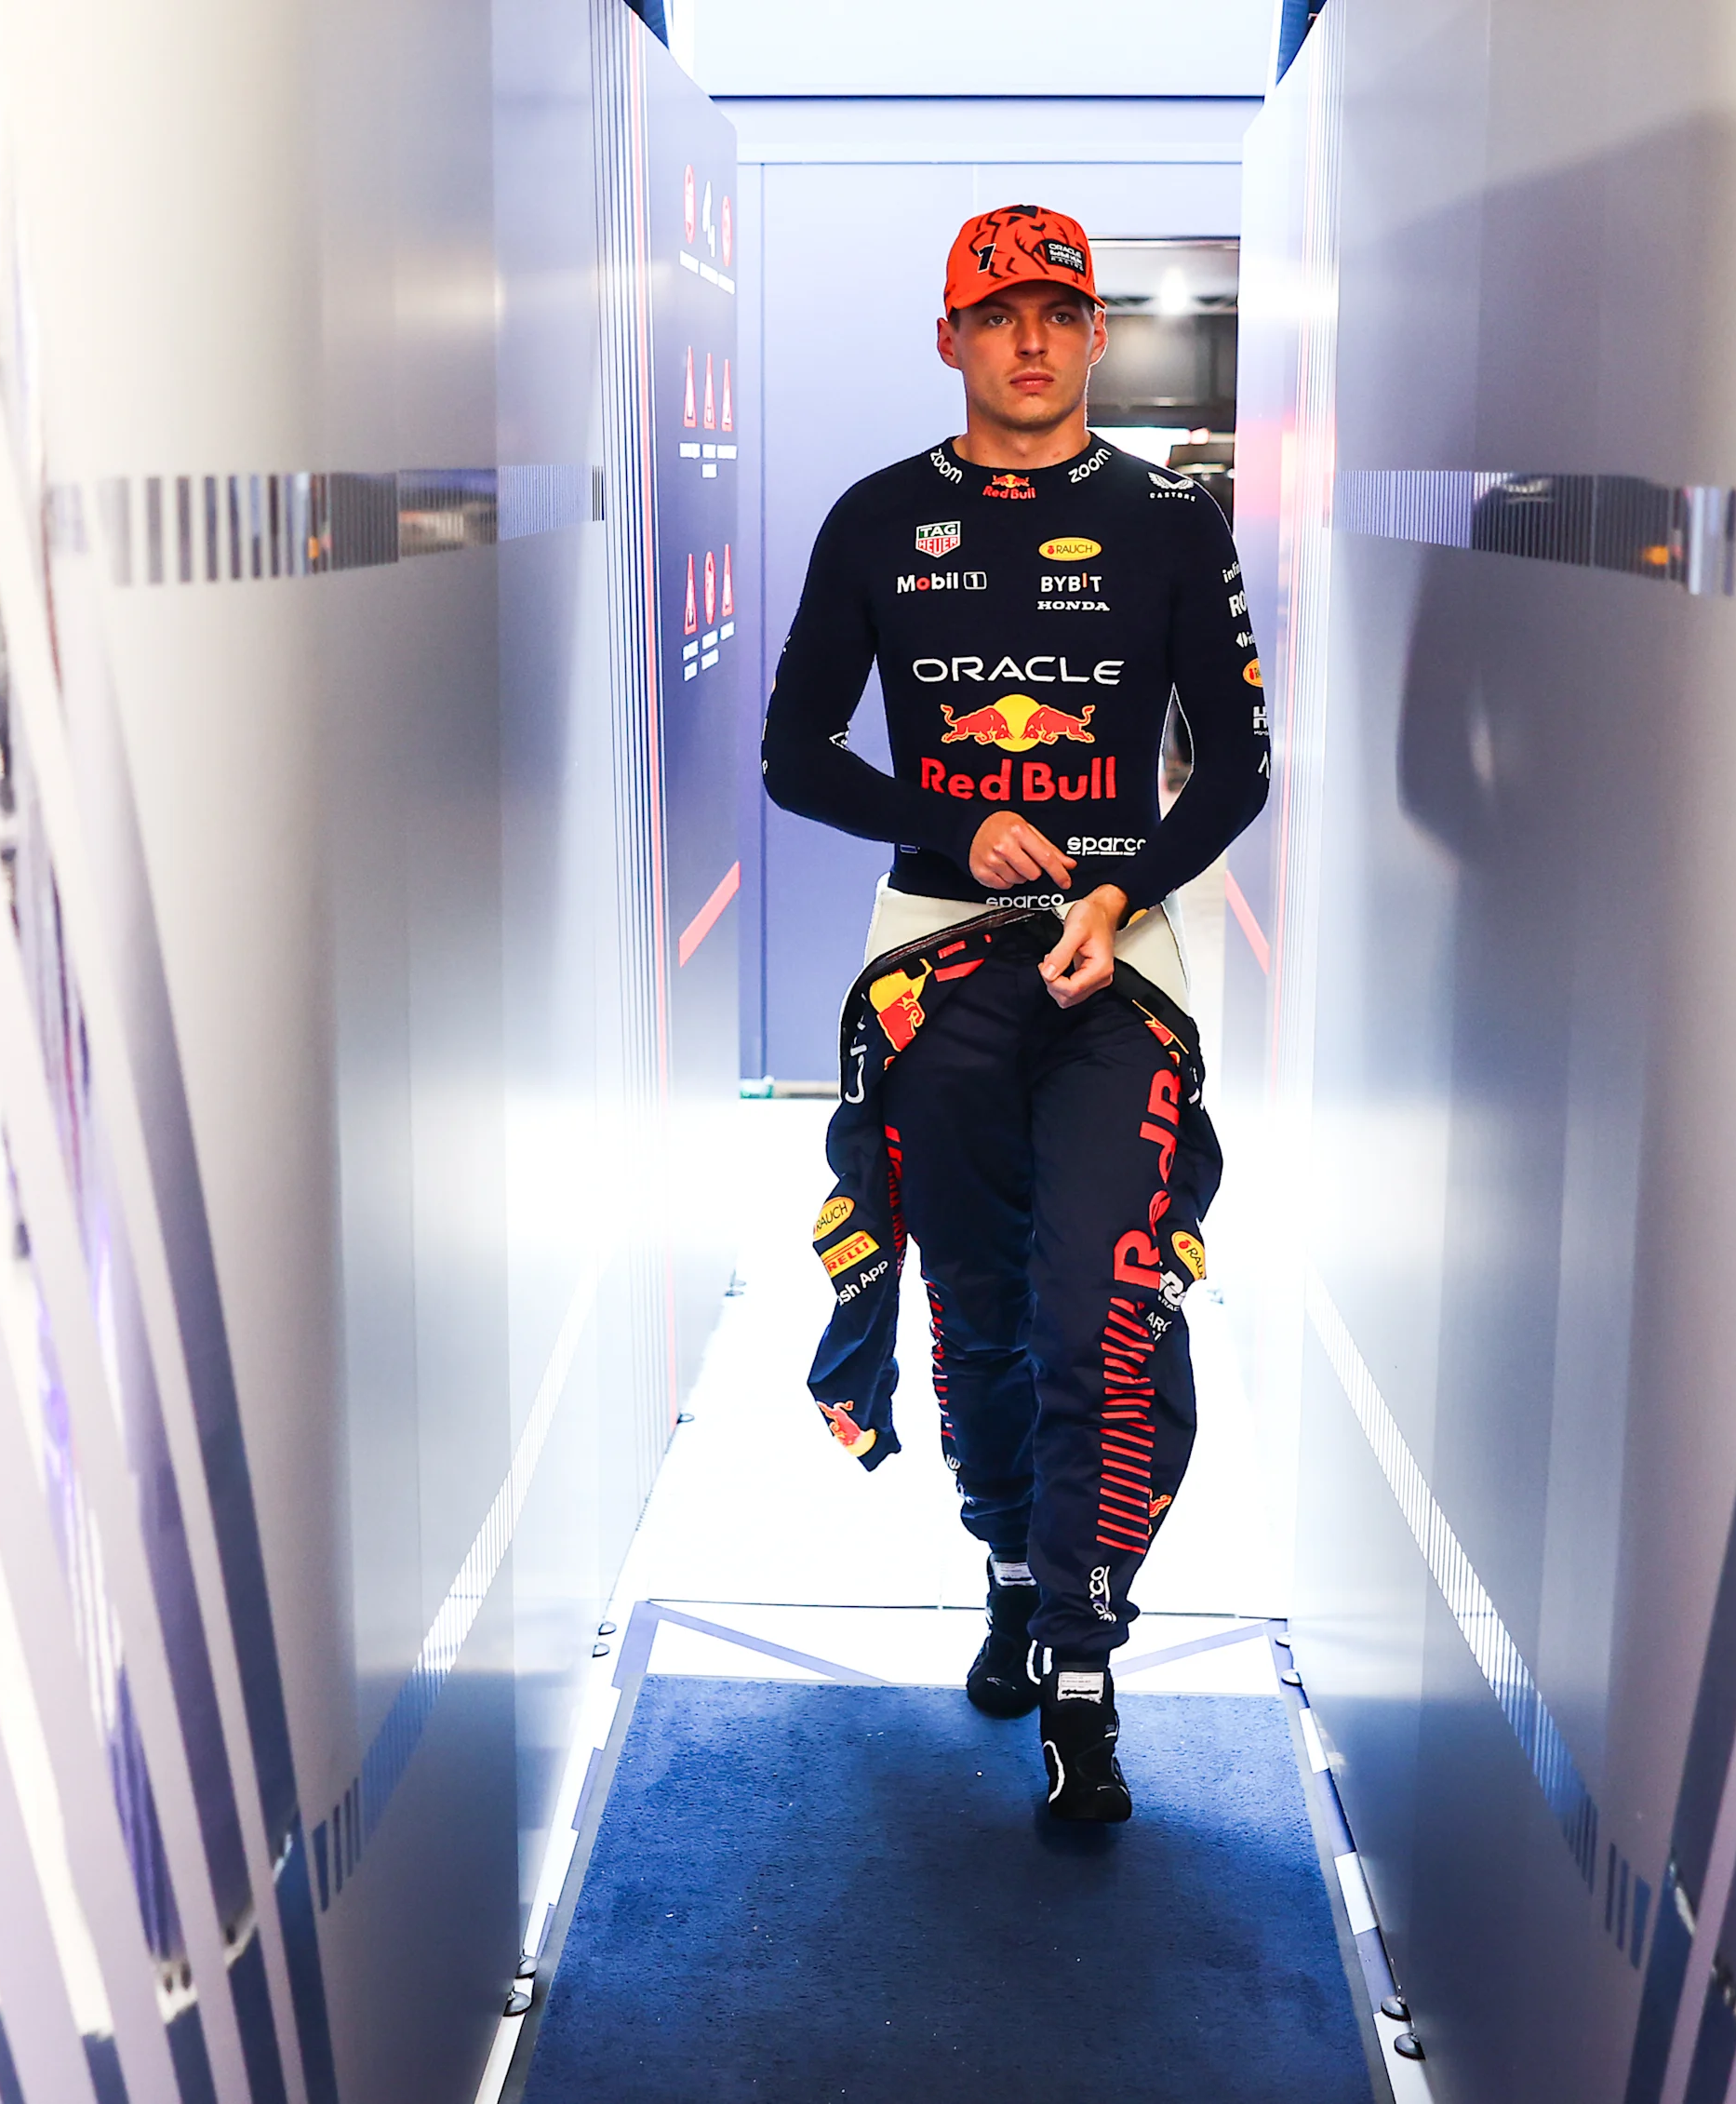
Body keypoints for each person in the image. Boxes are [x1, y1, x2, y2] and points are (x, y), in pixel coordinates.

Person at [760, 204, 1268, 1819]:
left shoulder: (1173, 525)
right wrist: (947, 815)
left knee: (1102, 1303)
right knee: (976, 1310)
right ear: (950, 338)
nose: (1031, 339)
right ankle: (1005, 1560)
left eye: (1060, 310)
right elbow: (793, 754)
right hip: (933, 960)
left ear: (1097, 335)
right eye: (999, 313)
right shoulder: (875, 520)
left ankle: (1082, 1648)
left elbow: (1241, 767)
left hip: (1118, 963)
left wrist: (1116, 899)